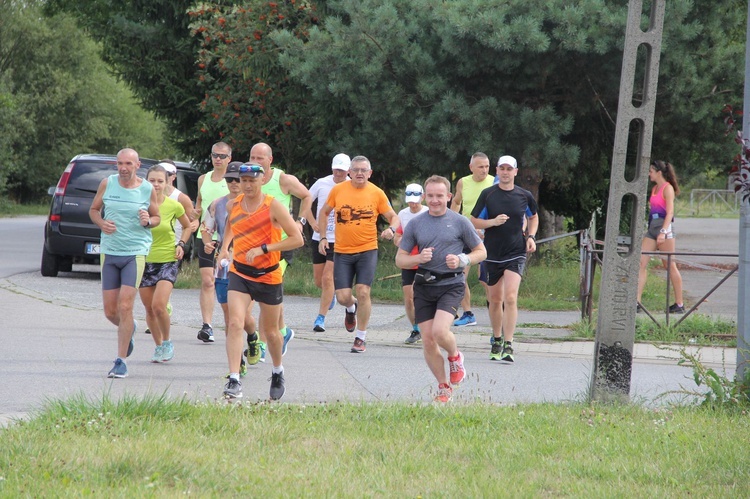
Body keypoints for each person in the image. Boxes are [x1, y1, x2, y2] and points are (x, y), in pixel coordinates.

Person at [217, 163, 304, 400]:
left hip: (269, 274)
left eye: (252, 180)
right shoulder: (232, 205)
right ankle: (234, 379)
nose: (246, 185)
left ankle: (277, 371)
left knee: (273, 333)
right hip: (240, 273)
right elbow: (230, 226)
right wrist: (225, 248)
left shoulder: (273, 206)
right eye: (242, 180)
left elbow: (297, 240)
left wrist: (266, 248)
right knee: (235, 323)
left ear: (262, 180)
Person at [396, 175, 486, 403]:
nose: (435, 200)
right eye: (431, 196)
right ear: (425, 197)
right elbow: (400, 260)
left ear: (448, 197)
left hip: (452, 284)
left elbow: (481, 252)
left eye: (440, 196)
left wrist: (463, 259)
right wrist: (418, 257)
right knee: (427, 340)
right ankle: (444, 387)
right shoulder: (416, 223)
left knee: (439, 331)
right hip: (425, 285)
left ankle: (455, 357)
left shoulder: (459, 222)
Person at [89, 148, 161, 378]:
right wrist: (101, 223)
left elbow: (157, 217)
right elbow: (93, 210)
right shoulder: (107, 184)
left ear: (137, 165)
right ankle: (129, 328)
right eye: (120, 163)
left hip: (135, 252)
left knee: (126, 306)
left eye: (128, 163)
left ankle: (121, 361)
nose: (123, 168)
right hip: (110, 252)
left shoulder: (146, 188)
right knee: (111, 312)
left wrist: (148, 220)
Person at [317, 155, 400, 353]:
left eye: (364, 170)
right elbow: (323, 212)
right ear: (349, 173)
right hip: (343, 251)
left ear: (370, 174)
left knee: (363, 291)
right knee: (344, 296)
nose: (360, 173)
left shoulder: (377, 193)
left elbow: (393, 216)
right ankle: (350, 308)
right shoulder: (338, 190)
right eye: (356, 170)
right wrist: (322, 238)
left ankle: (360, 337)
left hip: (367, 249)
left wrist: (392, 229)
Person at [249, 142, 315, 356]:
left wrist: (300, 221)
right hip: (256, 245)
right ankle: (283, 331)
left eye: (260, 158)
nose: (256, 162)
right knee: (270, 292)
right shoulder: (250, 181)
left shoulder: (283, 180)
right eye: (253, 157)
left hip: (282, 244)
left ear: (270, 159)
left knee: (264, 292)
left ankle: (260, 345)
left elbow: (307, 196)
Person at [471, 155, 538, 363]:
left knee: (510, 297)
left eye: (510, 169)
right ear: (497, 171)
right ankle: (497, 339)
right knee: (495, 299)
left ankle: (509, 344)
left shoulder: (524, 195)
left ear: (516, 172)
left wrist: (531, 237)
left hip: (516, 252)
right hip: (492, 253)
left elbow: (533, 216)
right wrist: (493, 222)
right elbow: (474, 221)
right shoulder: (488, 194)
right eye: (502, 168)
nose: (506, 172)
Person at [201, 162, 262, 377]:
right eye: (230, 180)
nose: (234, 184)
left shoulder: (255, 204)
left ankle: (253, 338)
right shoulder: (217, 204)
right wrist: (209, 243)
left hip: (249, 264)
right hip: (225, 266)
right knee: (229, 317)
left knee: (243, 316)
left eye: (238, 179)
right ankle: (238, 362)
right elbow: (206, 228)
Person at [138, 165, 193, 363]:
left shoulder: (173, 205)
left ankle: (167, 341)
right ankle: (159, 345)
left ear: (167, 182)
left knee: (159, 305)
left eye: (160, 181)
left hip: (168, 259)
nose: (156, 185)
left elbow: (187, 226)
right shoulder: (139, 205)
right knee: (150, 310)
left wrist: (182, 244)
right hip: (144, 261)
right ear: (146, 182)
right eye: (152, 180)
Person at [450, 152, 495, 327]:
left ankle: (495, 313)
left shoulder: (494, 182)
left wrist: (486, 226)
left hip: (488, 234)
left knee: (486, 279)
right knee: (459, 275)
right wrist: (451, 223)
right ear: (471, 168)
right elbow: (456, 201)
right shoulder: (463, 182)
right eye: (480, 167)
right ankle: (468, 314)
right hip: (466, 234)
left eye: (487, 166)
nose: (484, 170)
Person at [308, 153, 351, 332]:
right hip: (320, 237)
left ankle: (320, 318)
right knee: (319, 281)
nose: (338, 173)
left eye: (342, 170)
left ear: (348, 170)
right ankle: (344, 300)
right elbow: (306, 202)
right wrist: (312, 223)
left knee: (327, 278)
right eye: (336, 169)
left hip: (340, 240)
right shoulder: (322, 183)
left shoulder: (352, 186)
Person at [194, 142, 231, 343]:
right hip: (206, 236)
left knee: (223, 283)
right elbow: (199, 202)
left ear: (229, 159)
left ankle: (232, 322)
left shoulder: (233, 180)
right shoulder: (203, 178)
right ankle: (207, 325)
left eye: (222, 156)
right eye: (215, 155)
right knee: (208, 281)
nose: (218, 159)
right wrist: (195, 213)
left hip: (228, 238)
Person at [637, 160, 685, 313]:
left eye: (651, 171)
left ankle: (679, 304)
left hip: (665, 229)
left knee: (669, 265)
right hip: (652, 229)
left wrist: (664, 232)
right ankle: (636, 302)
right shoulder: (654, 188)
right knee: (641, 263)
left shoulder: (667, 188)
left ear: (659, 172)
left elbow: (670, 212)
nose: (649, 174)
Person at [393, 183, 428, 344]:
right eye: (410, 201)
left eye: (415, 200)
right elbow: (397, 239)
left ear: (423, 197)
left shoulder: (428, 212)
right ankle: (415, 328)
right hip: (408, 261)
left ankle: (427, 327)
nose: (412, 204)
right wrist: (401, 240)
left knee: (422, 295)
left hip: (426, 261)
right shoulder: (403, 214)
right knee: (409, 298)